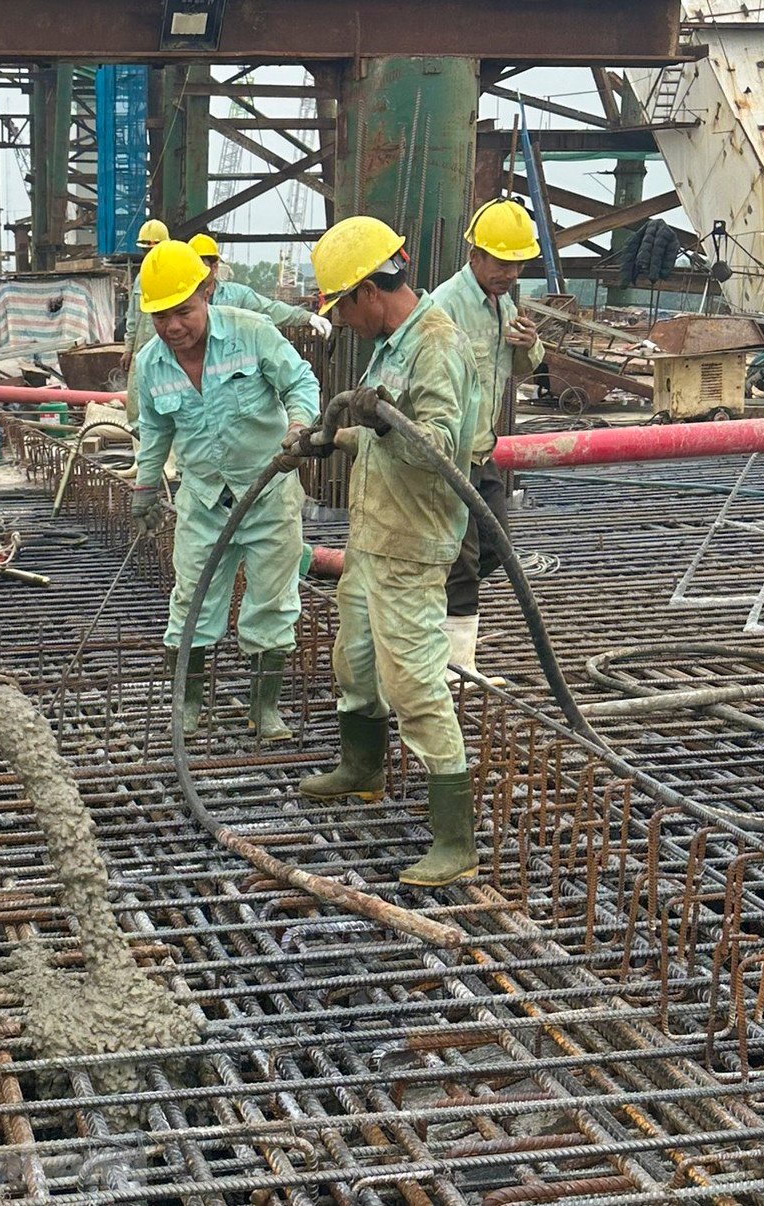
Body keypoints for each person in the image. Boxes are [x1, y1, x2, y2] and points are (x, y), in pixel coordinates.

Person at [285, 215, 479, 888]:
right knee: (356, 660)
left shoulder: (435, 344)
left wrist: (379, 418)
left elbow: (443, 453)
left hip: (412, 543)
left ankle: (455, 838)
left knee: (413, 682)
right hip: (373, 535)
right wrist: (330, 438)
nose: (342, 320)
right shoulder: (393, 343)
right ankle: (363, 767)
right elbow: (379, 431)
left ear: (372, 289)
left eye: (343, 305)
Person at [129, 240, 320, 741]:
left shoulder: (252, 334)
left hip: (268, 493)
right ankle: (188, 705)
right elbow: (154, 431)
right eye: (161, 317)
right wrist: (145, 489)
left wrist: (300, 425)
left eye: (183, 312)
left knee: (272, 601)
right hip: (204, 501)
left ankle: (266, 710)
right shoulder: (151, 364)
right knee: (191, 598)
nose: (173, 327)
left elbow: (301, 383)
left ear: (207, 290)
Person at [430, 199, 545, 677]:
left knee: (496, 549)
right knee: (462, 563)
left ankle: (428, 618)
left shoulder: (504, 304)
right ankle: (457, 669)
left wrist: (529, 345)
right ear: (475, 255)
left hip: (484, 451)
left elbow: (520, 369)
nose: (511, 272)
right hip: (450, 456)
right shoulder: (444, 306)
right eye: (502, 261)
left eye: (518, 263)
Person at [188, 233, 333, 341]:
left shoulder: (236, 296)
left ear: (214, 267)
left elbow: (270, 309)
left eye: (201, 266)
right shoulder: (177, 298)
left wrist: (307, 317)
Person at [121, 218, 171, 428]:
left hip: (169, 349)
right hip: (142, 351)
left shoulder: (174, 274)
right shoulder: (142, 278)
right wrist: (128, 349)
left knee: (167, 398)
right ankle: (141, 448)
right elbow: (133, 317)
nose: (149, 255)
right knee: (136, 403)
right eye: (145, 251)